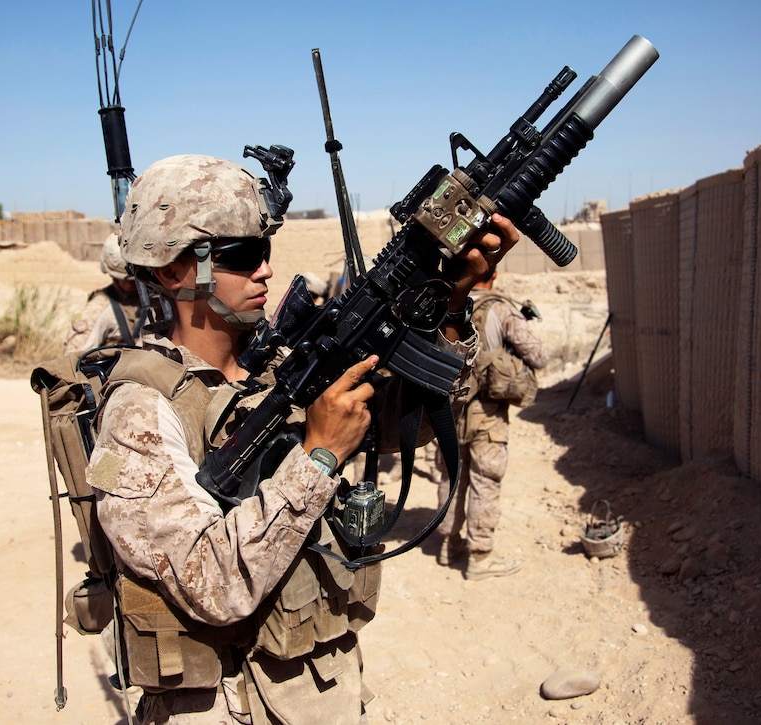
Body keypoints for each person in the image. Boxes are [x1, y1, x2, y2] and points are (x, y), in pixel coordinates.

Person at [85, 153, 518, 723]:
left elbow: (390, 427)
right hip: (226, 703)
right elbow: (210, 583)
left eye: (265, 250)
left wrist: (452, 301)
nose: (264, 269)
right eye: (241, 255)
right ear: (171, 272)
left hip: (313, 686)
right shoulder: (141, 409)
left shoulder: (276, 360)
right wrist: (318, 459)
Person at [434, 267, 547, 581]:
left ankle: (449, 544)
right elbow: (538, 355)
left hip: (449, 409)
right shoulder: (501, 308)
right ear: (493, 276)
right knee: (486, 482)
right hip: (488, 412)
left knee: (451, 477)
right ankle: (480, 558)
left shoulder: (445, 306)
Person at [64, 232, 145, 356]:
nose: (129, 285)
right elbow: (72, 361)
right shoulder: (99, 309)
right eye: (122, 280)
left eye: (133, 280)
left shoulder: (157, 302)